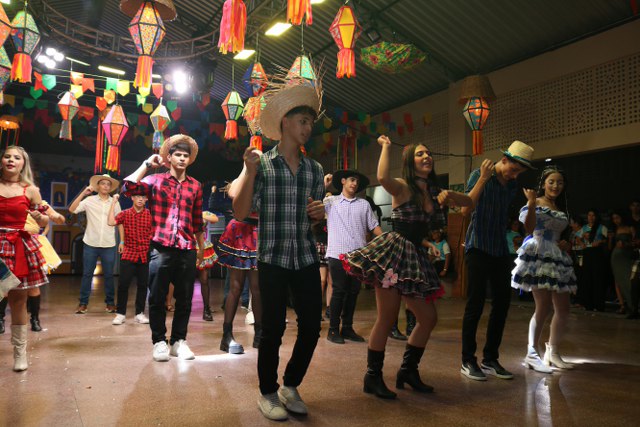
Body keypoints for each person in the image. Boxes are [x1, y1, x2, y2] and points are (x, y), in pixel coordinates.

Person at [341, 136, 472, 399]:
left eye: (428, 153)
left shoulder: (435, 192)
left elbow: (469, 201)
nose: (427, 157)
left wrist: (469, 185)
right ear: (410, 162)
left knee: (428, 318)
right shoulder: (402, 186)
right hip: (394, 255)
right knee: (387, 318)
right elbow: (382, 177)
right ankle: (372, 377)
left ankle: (408, 371)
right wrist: (386, 148)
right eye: (420, 154)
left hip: (415, 257)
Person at [233, 77, 325, 421]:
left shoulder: (315, 169)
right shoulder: (263, 165)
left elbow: (314, 221)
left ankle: (291, 385)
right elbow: (240, 212)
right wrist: (248, 171)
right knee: (272, 329)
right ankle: (268, 392)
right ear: (285, 122)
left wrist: (319, 214)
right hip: (272, 257)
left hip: (305, 256)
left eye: (310, 123)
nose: (308, 128)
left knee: (312, 326)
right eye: (303, 121)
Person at [122, 134, 204, 362]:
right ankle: (159, 341)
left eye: (186, 155)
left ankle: (178, 341)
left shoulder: (196, 186)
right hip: (161, 246)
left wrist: (200, 248)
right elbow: (128, 187)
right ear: (169, 157)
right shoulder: (155, 180)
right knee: (157, 297)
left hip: (186, 247)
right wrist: (147, 165)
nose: (182, 158)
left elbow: (197, 221)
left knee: (185, 298)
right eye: (178, 155)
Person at [461, 140, 534, 381]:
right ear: (504, 160)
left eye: (519, 172)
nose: (515, 176)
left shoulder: (511, 186)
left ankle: (490, 358)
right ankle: (467, 360)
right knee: (475, 304)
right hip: (477, 246)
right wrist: (483, 178)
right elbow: (465, 210)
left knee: (502, 303)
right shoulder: (480, 174)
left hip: (500, 249)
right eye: (513, 170)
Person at [511, 166, 577, 373]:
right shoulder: (537, 202)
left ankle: (553, 352)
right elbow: (529, 228)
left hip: (557, 255)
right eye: (551, 181)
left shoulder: (560, 207)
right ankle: (531, 354)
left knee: (563, 309)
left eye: (560, 182)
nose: (556, 186)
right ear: (544, 183)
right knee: (544, 307)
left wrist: (566, 244)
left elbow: (563, 234)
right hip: (538, 253)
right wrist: (531, 203)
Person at [0, 146, 49, 371]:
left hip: (17, 246)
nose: (11, 160)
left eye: (16, 157)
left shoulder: (31, 190)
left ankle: (20, 354)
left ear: (23, 164)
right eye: (7, 156)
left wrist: (40, 217)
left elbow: (43, 221)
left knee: (18, 301)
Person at [324, 169, 382, 344]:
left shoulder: (364, 205)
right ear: (343, 181)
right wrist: (324, 186)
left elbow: (373, 226)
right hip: (337, 254)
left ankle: (347, 328)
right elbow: (311, 205)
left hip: (359, 256)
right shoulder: (330, 202)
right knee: (339, 291)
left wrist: (387, 239)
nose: (355, 183)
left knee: (353, 293)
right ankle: (333, 330)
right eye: (351, 179)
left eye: (357, 181)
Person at [69, 173, 121, 314]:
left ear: (110, 188)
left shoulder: (115, 202)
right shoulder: (89, 200)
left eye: (108, 184)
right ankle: (83, 303)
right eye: (103, 183)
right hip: (91, 243)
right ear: (98, 186)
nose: (105, 186)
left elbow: (119, 222)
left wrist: (122, 241)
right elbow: (72, 209)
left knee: (109, 275)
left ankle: (110, 303)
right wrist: (83, 193)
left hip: (109, 243)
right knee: (87, 274)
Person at [215, 190, 260, 354]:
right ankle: (226, 335)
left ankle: (259, 334)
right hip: (241, 228)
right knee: (236, 286)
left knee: (257, 288)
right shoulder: (243, 179)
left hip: (259, 229)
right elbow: (233, 192)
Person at [107, 189, 152, 325]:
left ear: (146, 199)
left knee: (143, 285)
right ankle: (120, 314)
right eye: (137, 196)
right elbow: (110, 222)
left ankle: (139, 313)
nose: (140, 199)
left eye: (143, 197)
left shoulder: (150, 214)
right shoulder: (125, 213)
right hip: (129, 252)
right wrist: (113, 202)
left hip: (144, 253)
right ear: (132, 198)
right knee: (123, 284)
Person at [578, 209, 608, 311]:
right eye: (589, 215)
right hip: (587, 253)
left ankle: (598, 304)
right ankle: (588, 304)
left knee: (597, 278)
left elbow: (607, 239)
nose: (591, 217)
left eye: (593, 215)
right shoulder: (584, 228)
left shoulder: (601, 227)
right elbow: (577, 237)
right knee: (587, 278)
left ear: (596, 217)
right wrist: (582, 243)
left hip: (597, 253)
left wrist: (600, 242)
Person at [609, 211, 636, 316]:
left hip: (626, 256)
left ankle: (632, 305)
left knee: (628, 280)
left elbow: (635, 243)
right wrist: (611, 239)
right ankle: (622, 305)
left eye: (617, 217)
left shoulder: (630, 228)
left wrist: (625, 244)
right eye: (614, 218)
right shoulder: (615, 229)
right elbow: (610, 246)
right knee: (618, 281)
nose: (616, 220)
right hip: (616, 256)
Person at [198, 210, 219, 321]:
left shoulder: (203, 213)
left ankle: (206, 309)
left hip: (202, 246)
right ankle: (183, 308)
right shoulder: (184, 211)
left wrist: (200, 215)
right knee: (185, 281)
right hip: (188, 245)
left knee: (204, 280)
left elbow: (215, 219)